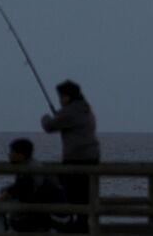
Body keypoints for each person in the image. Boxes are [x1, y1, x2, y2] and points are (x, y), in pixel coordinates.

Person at [41, 80, 100, 233]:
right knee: (83, 197)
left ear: (67, 96)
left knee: (71, 196)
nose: (59, 100)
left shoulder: (71, 110)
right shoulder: (85, 108)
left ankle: (73, 227)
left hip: (77, 160)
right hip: (92, 158)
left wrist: (46, 117)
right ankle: (79, 226)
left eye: (60, 97)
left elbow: (49, 126)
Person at [0, 138, 68, 232]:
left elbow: (27, 188)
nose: (9, 155)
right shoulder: (28, 165)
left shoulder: (33, 169)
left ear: (20, 155)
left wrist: (9, 193)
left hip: (54, 216)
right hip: (46, 211)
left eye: (12, 152)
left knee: (11, 212)